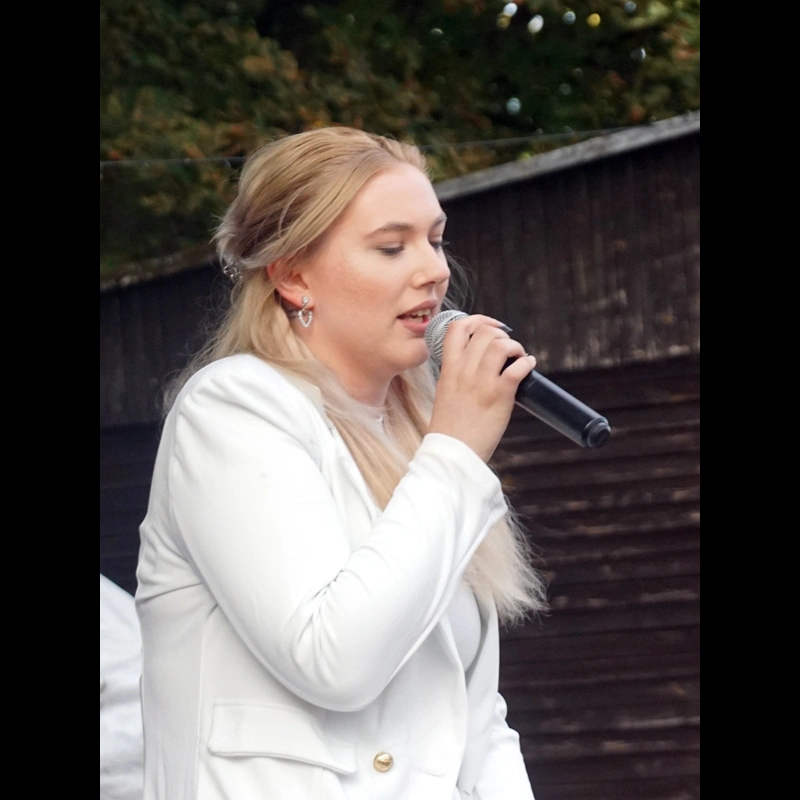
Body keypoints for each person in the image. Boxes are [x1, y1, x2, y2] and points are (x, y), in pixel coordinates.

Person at [135, 126, 547, 800]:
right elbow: (334, 661)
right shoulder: (235, 407)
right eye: (392, 246)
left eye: (435, 240)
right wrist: (455, 453)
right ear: (293, 276)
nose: (434, 270)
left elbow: (474, 721)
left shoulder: (419, 442)